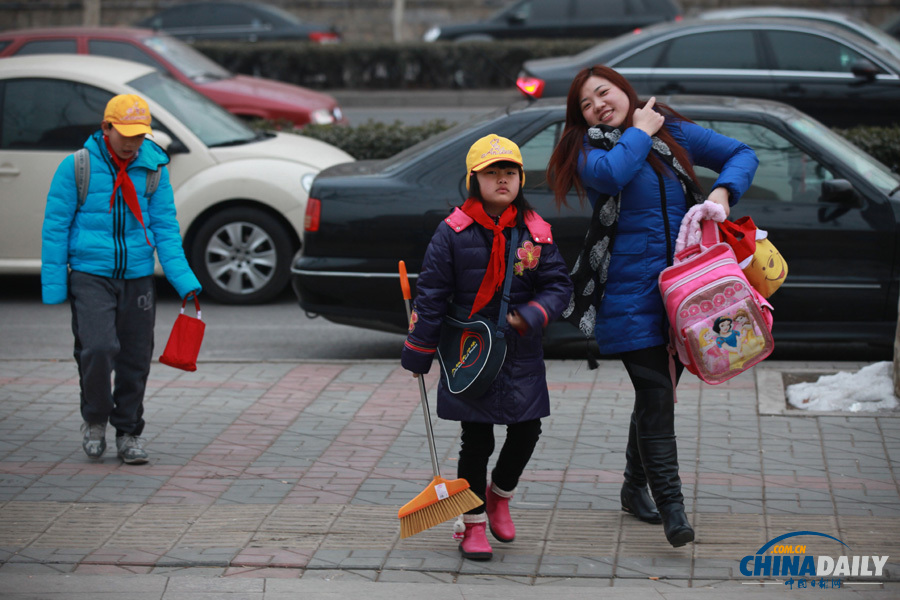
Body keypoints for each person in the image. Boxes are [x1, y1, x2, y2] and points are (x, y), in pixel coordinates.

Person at [546, 66, 758, 547]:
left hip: (685, 295)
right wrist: (640, 131)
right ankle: (673, 510)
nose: (599, 104)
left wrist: (724, 191)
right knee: (659, 397)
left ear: (624, 90)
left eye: (604, 92)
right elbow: (616, 173)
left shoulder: (670, 128)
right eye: (586, 103)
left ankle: (631, 486)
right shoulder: (587, 150)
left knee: (653, 396)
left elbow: (741, 153)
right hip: (628, 296)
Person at [401, 134, 572, 560]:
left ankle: (501, 495)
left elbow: (558, 286)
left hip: (519, 350)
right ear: (473, 180)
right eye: (491, 173)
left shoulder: (536, 232)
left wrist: (534, 314)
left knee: (527, 429)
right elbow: (432, 294)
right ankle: (473, 525)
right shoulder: (452, 233)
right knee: (475, 441)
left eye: (509, 172)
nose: (501, 180)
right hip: (469, 353)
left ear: (519, 179)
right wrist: (420, 348)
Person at [41, 94, 201, 465]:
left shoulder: (154, 168)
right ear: (106, 128)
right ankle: (95, 419)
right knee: (97, 349)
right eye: (125, 133)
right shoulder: (76, 167)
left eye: (139, 134)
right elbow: (55, 227)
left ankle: (128, 432)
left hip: (138, 277)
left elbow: (164, 228)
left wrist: (183, 279)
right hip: (90, 275)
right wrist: (53, 285)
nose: (132, 141)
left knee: (135, 358)